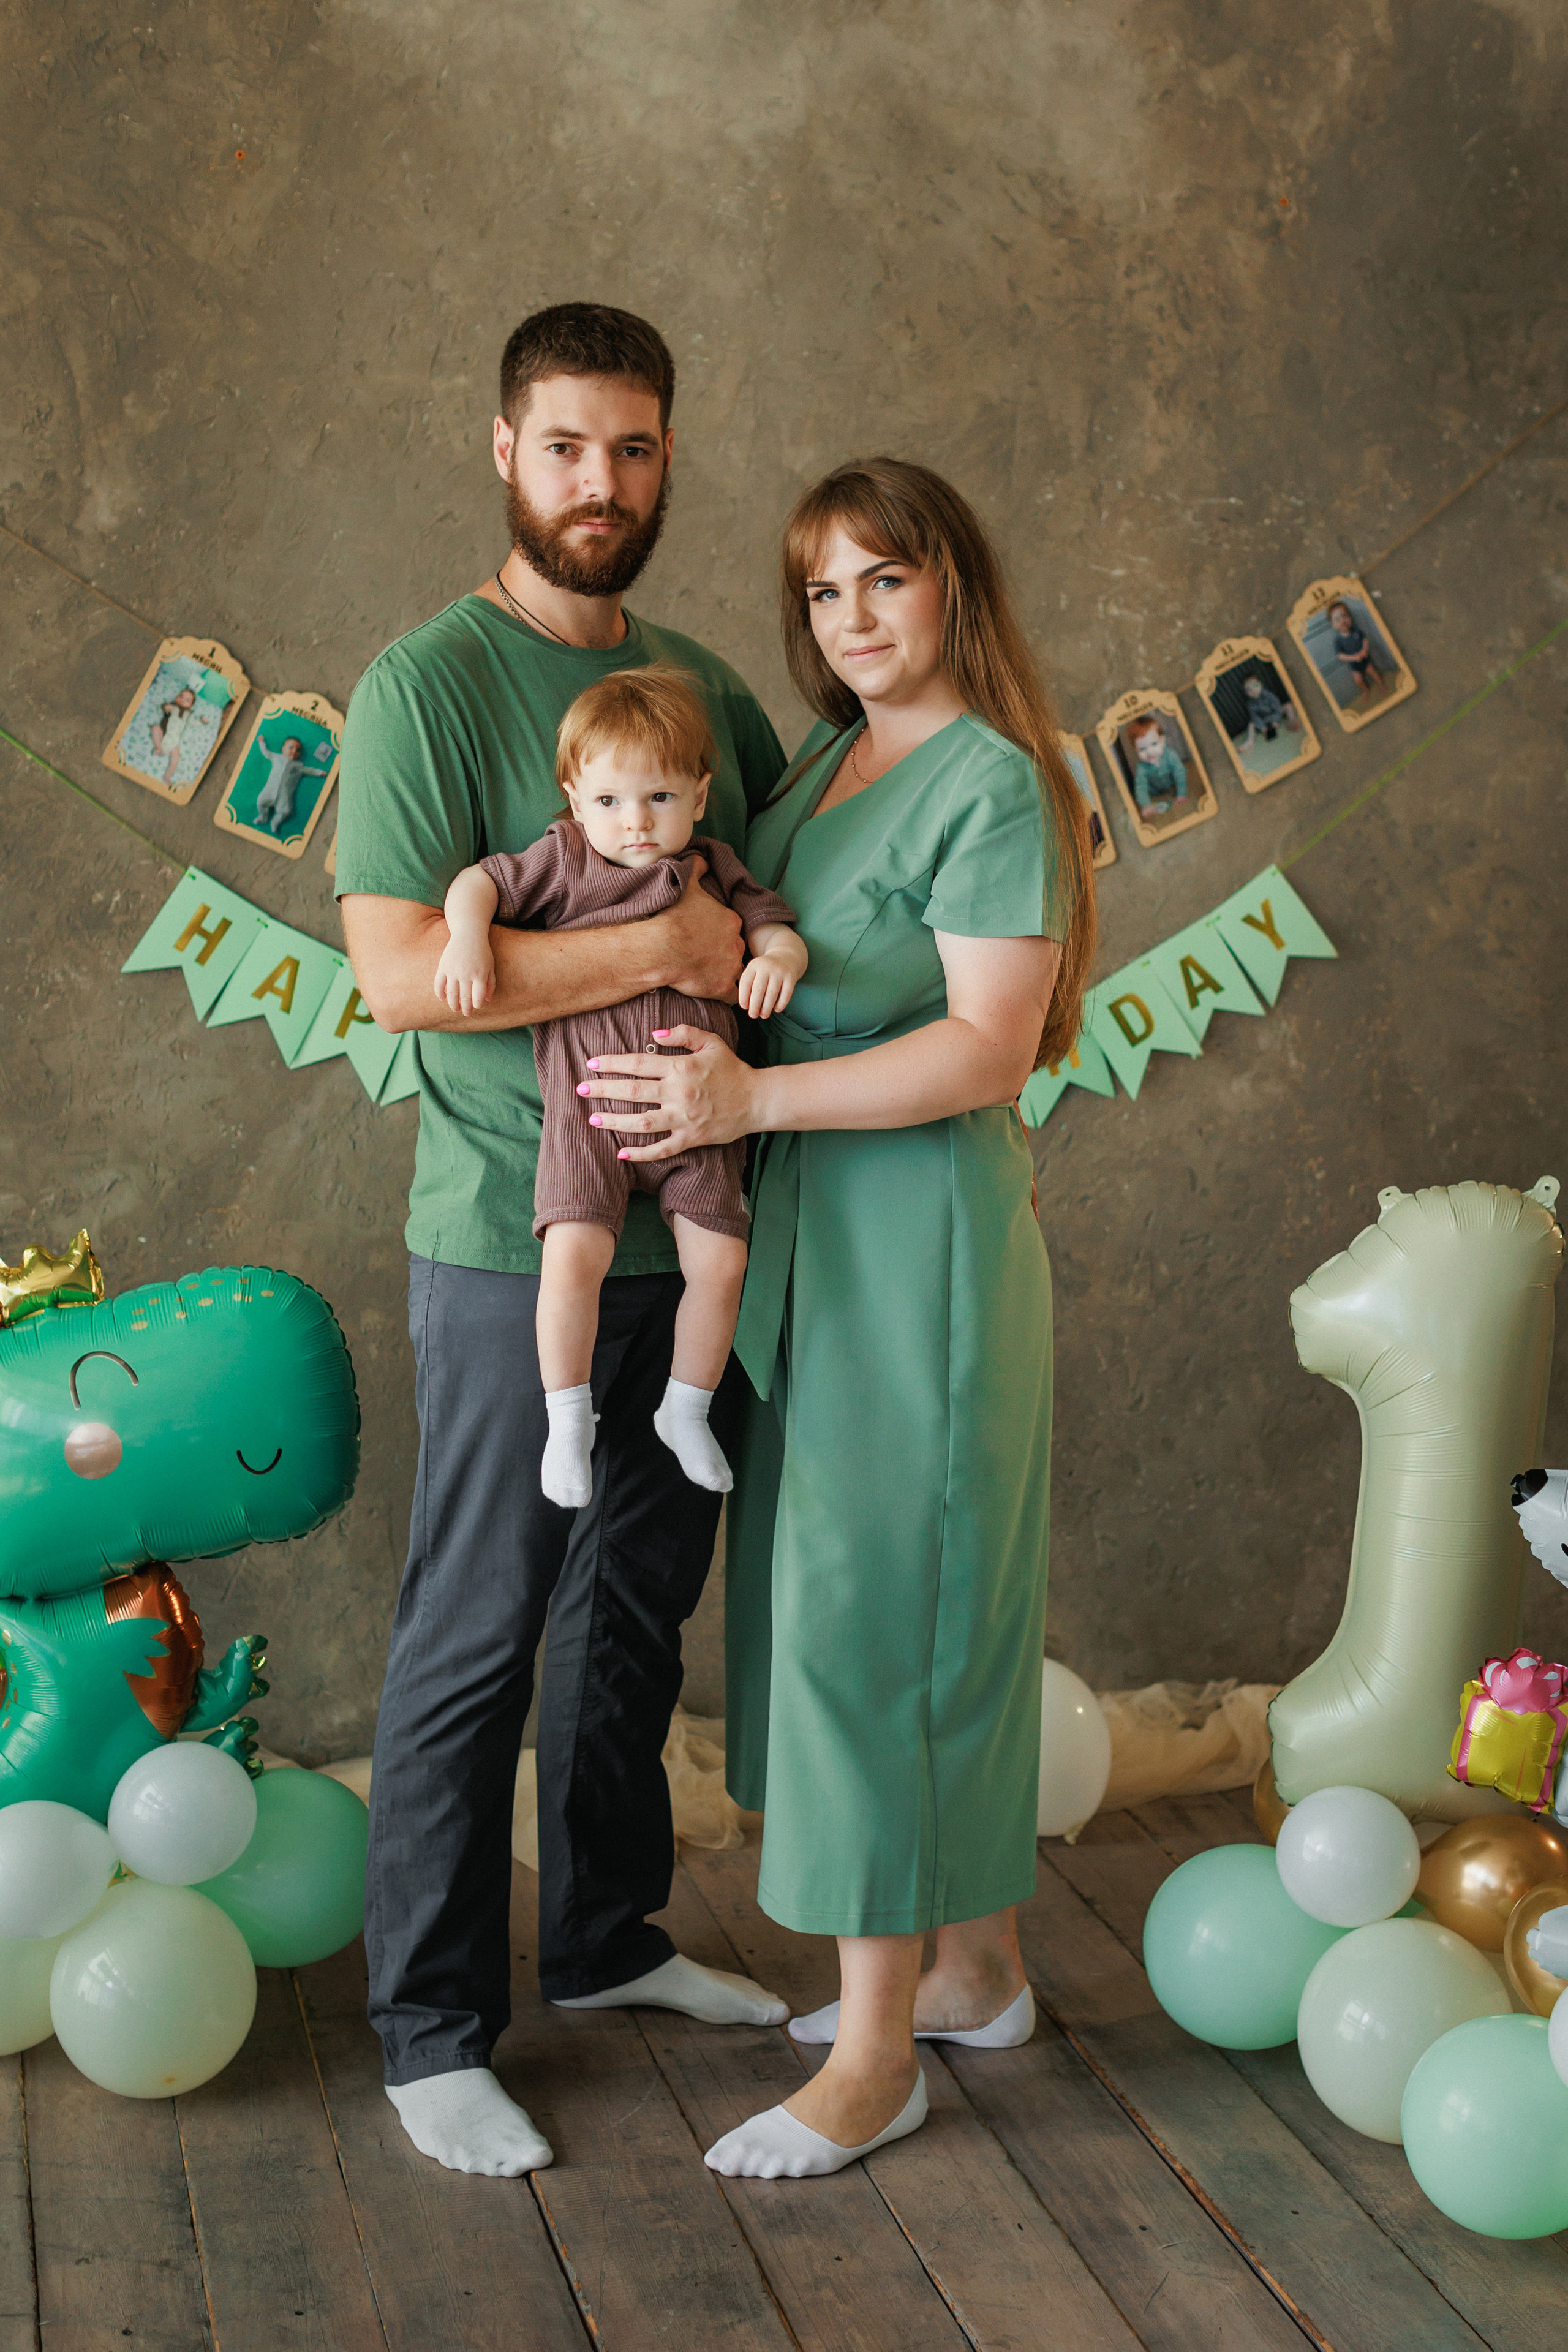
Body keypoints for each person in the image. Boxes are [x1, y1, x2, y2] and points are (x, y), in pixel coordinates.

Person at [578, 456, 1096, 2178]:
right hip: (815, 1254)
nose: (853, 619)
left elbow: (988, 1048)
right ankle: (973, 1969)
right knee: (852, 1592)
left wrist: (749, 1113)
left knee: (882, 1612)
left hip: (920, 1255)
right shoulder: (820, 767)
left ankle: (878, 2058)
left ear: (954, 584)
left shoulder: (996, 783)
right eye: (821, 591)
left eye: (885, 580)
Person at [334, 303, 792, 2182]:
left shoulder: (697, 688)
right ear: (501, 450)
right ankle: (432, 2023)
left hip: (691, 1231)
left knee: (632, 1607)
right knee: (479, 1620)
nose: (599, 482)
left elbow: (769, 907)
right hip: (508, 1241)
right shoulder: (425, 685)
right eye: (564, 445)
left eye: (633, 447)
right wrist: (661, 954)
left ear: (666, 457)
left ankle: (602, 1939)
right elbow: (398, 980)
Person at [432, 665, 804, 1508]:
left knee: (722, 1262)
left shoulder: (713, 868)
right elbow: (478, 884)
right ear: (574, 798)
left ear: (701, 796)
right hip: (592, 1117)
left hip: (701, 1124)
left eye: (660, 798)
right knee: (573, 1259)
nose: (635, 823)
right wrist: (467, 939)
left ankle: (687, 1406)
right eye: (609, 803)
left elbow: (774, 926)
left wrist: (777, 962)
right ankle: (568, 1419)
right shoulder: (565, 860)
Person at [254, 732, 331, 835]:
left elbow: (310, 770)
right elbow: (265, 752)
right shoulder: (276, 758)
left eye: (298, 750)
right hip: (270, 790)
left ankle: (275, 822)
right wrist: (262, 742)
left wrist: (320, 773)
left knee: (286, 811)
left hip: (284, 795)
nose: (294, 751)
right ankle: (263, 817)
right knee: (260, 801)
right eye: (291, 748)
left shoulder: (298, 766)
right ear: (283, 749)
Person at [1125, 712, 1189, 816]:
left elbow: (1180, 773)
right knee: (1140, 791)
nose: (1150, 752)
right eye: (1142, 749)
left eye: (1154, 744)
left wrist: (1181, 794)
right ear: (1135, 750)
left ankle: (1175, 789)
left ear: (1162, 741)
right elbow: (1141, 787)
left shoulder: (1170, 755)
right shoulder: (1141, 767)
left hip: (1171, 784)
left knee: (1182, 771)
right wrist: (1146, 805)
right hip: (1154, 792)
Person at [1327, 600, 1384, 701]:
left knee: (1373, 673)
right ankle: (1365, 690)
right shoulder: (1338, 640)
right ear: (1333, 625)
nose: (1342, 621)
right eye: (1337, 619)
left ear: (1350, 617)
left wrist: (1364, 651)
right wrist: (1354, 658)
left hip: (1364, 659)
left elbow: (1365, 640)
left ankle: (1381, 685)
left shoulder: (1356, 631)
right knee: (1358, 681)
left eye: (1345, 616)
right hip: (1354, 665)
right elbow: (1340, 655)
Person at [150, 684, 198, 783]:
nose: (182, 700)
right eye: (181, 696)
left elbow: (194, 723)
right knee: (155, 728)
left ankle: (168, 775)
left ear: (191, 706)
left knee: (176, 757)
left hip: (174, 742)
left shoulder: (188, 714)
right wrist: (165, 707)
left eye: (187, 700)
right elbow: (162, 708)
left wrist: (202, 720)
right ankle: (158, 747)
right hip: (163, 734)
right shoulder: (173, 707)